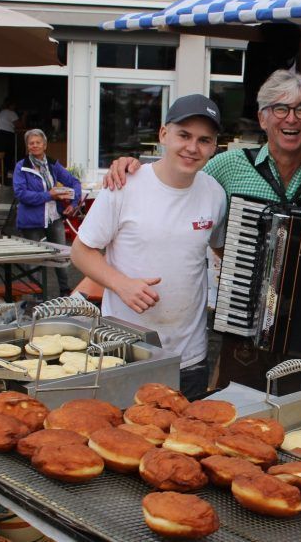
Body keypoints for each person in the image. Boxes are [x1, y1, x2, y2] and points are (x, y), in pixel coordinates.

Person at [105, 70, 301, 393]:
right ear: (263, 119)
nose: (291, 118)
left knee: (300, 417)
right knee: (235, 414)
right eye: (280, 109)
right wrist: (131, 166)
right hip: (243, 327)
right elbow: (179, 182)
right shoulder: (229, 166)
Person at [72, 95, 226, 400]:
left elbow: (219, 251)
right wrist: (122, 284)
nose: (192, 148)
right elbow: (80, 251)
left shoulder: (214, 194)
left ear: (214, 146)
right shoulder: (125, 185)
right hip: (126, 352)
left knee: (183, 444)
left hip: (189, 358)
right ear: (163, 134)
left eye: (204, 140)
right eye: (184, 135)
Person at [13, 129, 81, 297]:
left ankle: (65, 291)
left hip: (54, 217)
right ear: (27, 146)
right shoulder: (21, 166)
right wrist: (47, 195)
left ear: (44, 145)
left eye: (38, 142)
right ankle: (36, 295)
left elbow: (74, 182)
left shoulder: (52, 164)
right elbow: (20, 194)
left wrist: (74, 202)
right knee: (35, 259)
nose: (35, 145)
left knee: (61, 256)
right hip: (31, 220)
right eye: (31, 143)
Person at [0, 99, 22, 180]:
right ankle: (7, 174)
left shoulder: (2, 112)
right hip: (6, 136)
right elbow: (19, 125)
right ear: (11, 105)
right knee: (8, 155)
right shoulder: (11, 113)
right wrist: (24, 116)